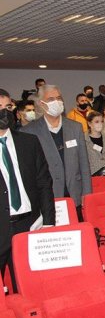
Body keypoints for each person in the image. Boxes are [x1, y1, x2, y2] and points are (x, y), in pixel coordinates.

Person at [0, 89, 55, 292]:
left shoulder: (28, 142)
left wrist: (48, 221)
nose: (4, 112)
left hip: (28, 225)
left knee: (29, 288)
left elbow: (44, 183)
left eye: (8, 107)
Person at [21, 85, 91, 218]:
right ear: (41, 103)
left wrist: (87, 194)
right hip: (46, 199)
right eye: (51, 99)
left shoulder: (75, 127)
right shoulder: (29, 132)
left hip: (75, 196)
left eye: (59, 98)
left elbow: (84, 164)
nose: (56, 102)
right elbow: (28, 172)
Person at [85, 111, 105, 188]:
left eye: (102, 121)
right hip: (93, 180)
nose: (100, 124)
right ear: (89, 124)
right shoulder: (83, 140)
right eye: (96, 122)